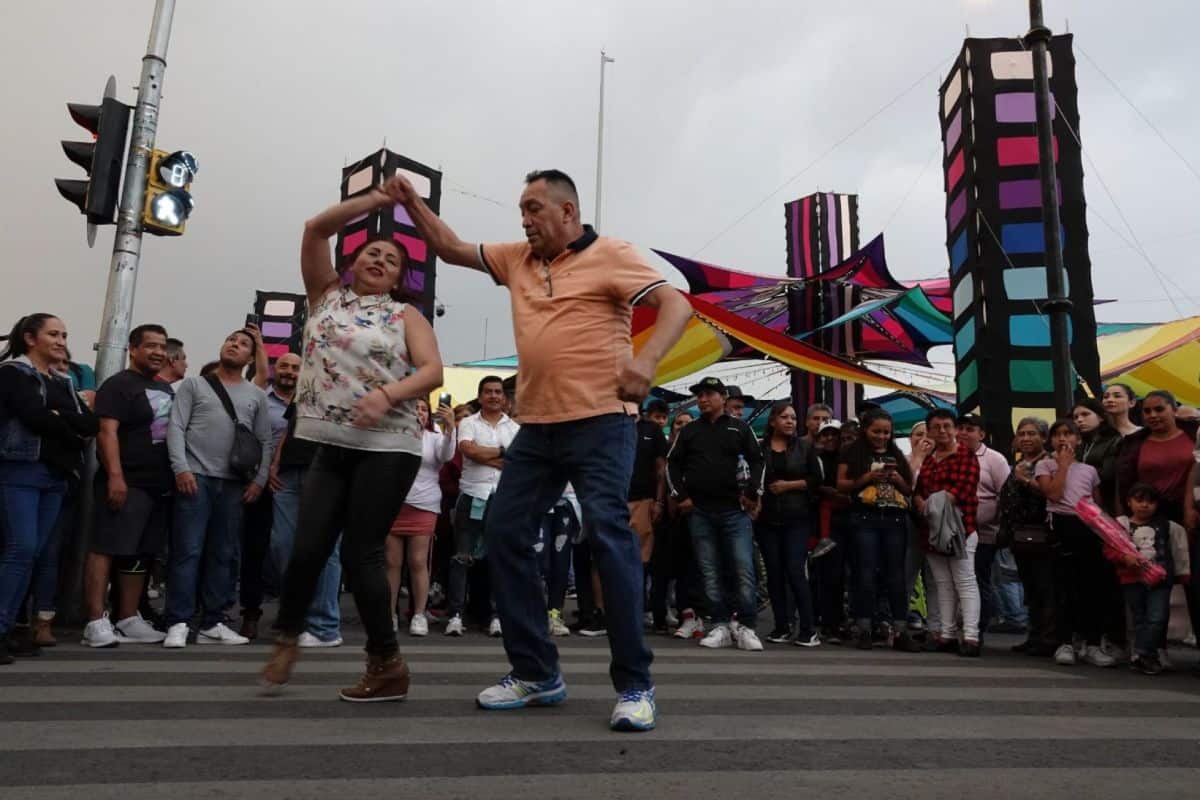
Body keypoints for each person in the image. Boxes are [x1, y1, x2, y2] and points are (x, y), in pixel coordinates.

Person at [391, 168, 691, 732]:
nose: (524, 221)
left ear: (567, 212)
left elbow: (677, 305)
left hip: (603, 422)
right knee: (503, 533)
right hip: (538, 429)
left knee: (608, 534)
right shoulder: (516, 260)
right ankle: (536, 673)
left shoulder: (611, 255)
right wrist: (411, 204)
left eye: (533, 209)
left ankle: (635, 685)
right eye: (521, 211)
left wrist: (644, 364)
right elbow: (452, 247)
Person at [260, 184, 443, 702]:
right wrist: (376, 201)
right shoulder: (325, 296)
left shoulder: (405, 316)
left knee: (363, 552)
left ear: (399, 276)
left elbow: (431, 371)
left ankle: (386, 663)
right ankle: (288, 637)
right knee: (307, 547)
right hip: (329, 443)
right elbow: (315, 229)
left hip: (389, 444)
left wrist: (388, 394)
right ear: (353, 261)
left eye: (391, 258)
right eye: (372, 252)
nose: (381, 258)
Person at [164, 330, 272, 649]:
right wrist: (181, 468)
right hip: (195, 478)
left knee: (224, 554)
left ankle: (214, 621)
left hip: (235, 485)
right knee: (187, 550)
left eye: (242, 345)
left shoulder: (256, 395)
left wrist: (259, 480)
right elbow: (176, 426)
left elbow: (265, 440)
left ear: (250, 359)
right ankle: (178, 621)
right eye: (230, 340)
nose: (233, 345)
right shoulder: (194, 385)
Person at [0, 315, 98, 663]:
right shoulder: (14, 372)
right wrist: (62, 420)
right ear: (30, 338)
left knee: (37, 553)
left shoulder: (64, 380)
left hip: (58, 476)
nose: (61, 340)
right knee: (21, 549)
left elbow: (91, 423)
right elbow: (32, 416)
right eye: (53, 334)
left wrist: (60, 417)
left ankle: (12, 628)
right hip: (22, 469)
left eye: (64, 335)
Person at [81, 324, 174, 648]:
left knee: (140, 552)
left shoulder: (165, 389)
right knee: (106, 546)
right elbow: (106, 432)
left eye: (162, 346)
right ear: (133, 349)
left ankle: (128, 617)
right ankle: (94, 621)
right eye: (150, 345)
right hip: (127, 481)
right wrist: (116, 476)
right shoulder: (118, 385)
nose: (158, 352)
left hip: (158, 485)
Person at [667, 376, 766, 652]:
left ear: (723, 397)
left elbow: (758, 460)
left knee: (743, 568)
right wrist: (681, 496)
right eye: (699, 395)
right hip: (699, 511)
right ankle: (720, 625)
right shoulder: (690, 431)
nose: (703, 399)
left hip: (735, 511)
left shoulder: (739, 428)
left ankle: (746, 626)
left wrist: (753, 493)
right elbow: (672, 464)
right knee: (709, 571)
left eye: (709, 394)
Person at [1115, 391, 1199, 655]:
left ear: (1174, 410)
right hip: (1146, 519)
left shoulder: (1192, 434)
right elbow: (1123, 484)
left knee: (1193, 581)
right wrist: (1123, 524)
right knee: (1150, 585)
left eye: (1159, 409)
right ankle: (1152, 649)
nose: (1152, 415)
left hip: (1188, 517)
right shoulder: (1135, 443)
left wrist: (1190, 509)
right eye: (1147, 411)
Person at [267, 374, 342, 649]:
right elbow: (290, 429)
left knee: (326, 549)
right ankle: (297, 616)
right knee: (282, 545)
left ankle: (325, 626)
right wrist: (275, 463)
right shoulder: (306, 386)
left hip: (328, 473)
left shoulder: (352, 386)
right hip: (289, 473)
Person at [1034, 419, 1116, 668]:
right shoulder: (1045, 465)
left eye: (1068, 434)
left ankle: (1091, 643)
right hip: (1060, 526)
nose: (1062, 439)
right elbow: (1054, 494)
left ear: (1078, 440)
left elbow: (1097, 505)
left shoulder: (1089, 471)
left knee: (1091, 588)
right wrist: (1064, 467)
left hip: (1087, 527)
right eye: (1057, 435)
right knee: (1064, 587)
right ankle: (1065, 642)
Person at [838, 409, 921, 652]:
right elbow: (841, 484)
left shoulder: (897, 455)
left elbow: (908, 489)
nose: (882, 436)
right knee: (864, 573)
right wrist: (867, 477)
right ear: (866, 430)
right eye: (877, 431)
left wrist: (896, 480)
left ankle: (900, 630)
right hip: (864, 517)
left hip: (895, 519)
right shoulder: (852, 453)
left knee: (895, 575)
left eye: (886, 432)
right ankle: (864, 629)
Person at [446, 376, 519, 637]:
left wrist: (485, 453)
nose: (493, 396)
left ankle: (495, 616)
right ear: (480, 397)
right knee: (461, 557)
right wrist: (501, 453)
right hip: (471, 495)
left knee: (497, 559)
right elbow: (468, 450)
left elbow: (516, 460)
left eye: (498, 392)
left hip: (501, 498)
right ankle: (455, 614)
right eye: (488, 392)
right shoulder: (467, 422)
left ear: (504, 398)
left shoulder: (514, 428)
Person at [237, 337, 295, 640]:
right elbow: (256, 441)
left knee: (290, 551)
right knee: (255, 549)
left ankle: (290, 615)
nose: (288, 372)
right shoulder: (260, 397)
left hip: (296, 486)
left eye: (295, 368)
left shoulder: (308, 401)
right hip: (260, 483)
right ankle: (250, 612)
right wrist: (263, 474)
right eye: (283, 366)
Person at [914, 409, 981, 657]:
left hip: (961, 528)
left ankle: (971, 636)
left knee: (965, 581)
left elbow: (961, 492)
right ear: (929, 431)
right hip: (932, 530)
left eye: (946, 426)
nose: (942, 431)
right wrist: (920, 499)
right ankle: (947, 634)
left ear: (954, 429)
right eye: (936, 427)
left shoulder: (966, 456)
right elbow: (917, 488)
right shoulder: (928, 458)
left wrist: (926, 502)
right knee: (942, 583)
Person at [387, 397, 455, 636]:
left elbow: (446, 456)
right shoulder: (392, 436)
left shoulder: (435, 438)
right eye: (414, 408)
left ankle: (418, 614)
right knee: (392, 563)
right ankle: (390, 615)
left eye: (424, 409)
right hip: (393, 504)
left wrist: (450, 429)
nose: (420, 413)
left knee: (418, 562)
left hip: (424, 504)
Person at [757, 401, 821, 646]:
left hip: (797, 518)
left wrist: (789, 486)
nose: (790, 421)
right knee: (774, 573)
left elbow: (817, 479)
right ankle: (781, 626)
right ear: (772, 421)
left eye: (793, 418)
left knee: (795, 570)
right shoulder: (759, 448)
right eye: (784, 417)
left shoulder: (804, 448)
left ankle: (808, 628)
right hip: (767, 519)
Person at [1112, 484, 1191, 675]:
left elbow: (1179, 550)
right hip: (1132, 579)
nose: (1144, 505)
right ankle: (1146, 657)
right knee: (1139, 619)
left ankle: (1142, 653)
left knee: (1157, 617)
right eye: (1139, 500)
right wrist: (1124, 558)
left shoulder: (1168, 526)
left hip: (1160, 580)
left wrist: (1183, 574)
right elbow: (1110, 549)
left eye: (1150, 501)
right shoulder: (1120, 524)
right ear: (1129, 502)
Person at [997, 417, 1055, 657]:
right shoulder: (1018, 463)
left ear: (1043, 438)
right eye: (1022, 434)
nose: (1026, 438)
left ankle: (1049, 638)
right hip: (1019, 536)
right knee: (1030, 588)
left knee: (1046, 587)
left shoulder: (1048, 463)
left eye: (1032, 434)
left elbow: (1049, 494)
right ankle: (1034, 635)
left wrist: (1025, 481)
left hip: (1043, 535)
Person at [956, 414, 1011, 640]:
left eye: (970, 429)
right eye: (960, 428)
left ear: (982, 434)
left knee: (978, 579)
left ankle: (978, 627)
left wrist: (998, 525)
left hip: (984, 533)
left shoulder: (994, 459)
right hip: (953, 532)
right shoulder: (949, 455)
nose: (964, 433)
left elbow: (1006, 495)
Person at [660, 410, 705, 639]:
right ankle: (686, 615)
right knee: (679, 569)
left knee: (702, 567)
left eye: (688, 423)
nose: (683, 427)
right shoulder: (668, 453)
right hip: (673, 519)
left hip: (700, 514)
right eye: (679, 423)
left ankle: (707, 618)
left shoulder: (700, 449)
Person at [813, 420, 850, 642]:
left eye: (833, 434)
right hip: (825, 521)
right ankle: (830, 623)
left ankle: (845, 620)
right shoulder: (814, 458)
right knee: (830, 574)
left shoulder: (848, 458)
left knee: (848, 574)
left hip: (849, 518)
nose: (829, 439)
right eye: (824, 435)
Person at [629, 399, 669, 589]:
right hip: (611, 501)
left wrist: (659, 501)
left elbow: (661, 469)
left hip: (643, 500)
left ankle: (640, 608)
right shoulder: (609, 426)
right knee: (611, 556)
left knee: (642, 559)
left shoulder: (651, 430)